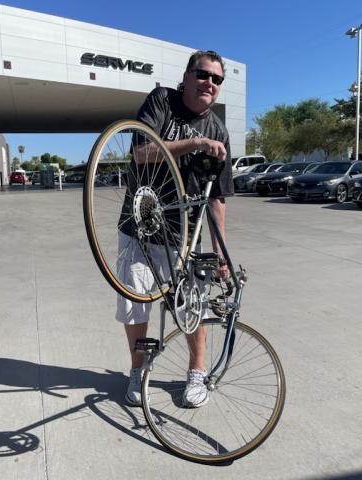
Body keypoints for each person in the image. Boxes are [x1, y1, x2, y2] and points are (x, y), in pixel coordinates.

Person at [116, 50, 234, 407]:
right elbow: (140, 152)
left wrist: (221, 252)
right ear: (186, 76)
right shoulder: (162, 101)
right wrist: (195, 143)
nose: (209, 83)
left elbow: (218, 199)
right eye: (203, 75)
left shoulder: (219, 131)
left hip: (187, 238)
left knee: (191, 308)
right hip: (139, 228)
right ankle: (138, 371)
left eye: (216, 79)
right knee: (135, 306)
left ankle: (196, 374)